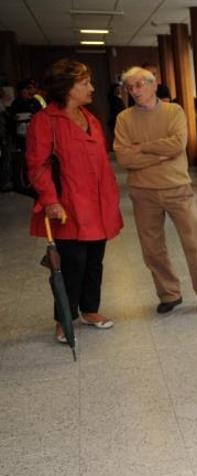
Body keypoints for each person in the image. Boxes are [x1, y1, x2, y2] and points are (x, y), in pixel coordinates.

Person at [114, 66, 197, 315]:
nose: (134, 91)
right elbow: (124, 158)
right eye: (130, 87)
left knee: (193, 244)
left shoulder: (174, 111)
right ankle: (169, 294)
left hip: (177, 188)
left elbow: (177, 145)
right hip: (143, 193)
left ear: (154, 85)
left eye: (139, 85)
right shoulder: (124, 119)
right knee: (152, 249)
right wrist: (160, 156)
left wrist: (141, 148)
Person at [26, 59, 123, 341]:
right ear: (68, 88)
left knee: (95, 260)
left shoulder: (89, 117)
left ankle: (90, 309)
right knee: (71, 265)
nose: (92, 88)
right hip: (68, 206)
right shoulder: (45, 122)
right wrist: (50, 200)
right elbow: (38, 166)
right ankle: (64, 318)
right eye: (85, 83)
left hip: (98, 203)